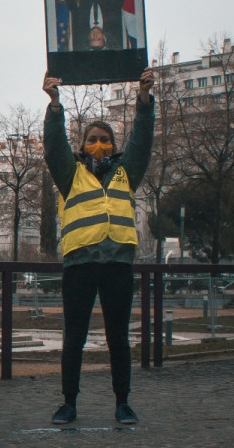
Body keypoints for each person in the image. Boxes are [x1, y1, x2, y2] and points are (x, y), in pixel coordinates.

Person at [42, 68, 155, 425]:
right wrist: (55, 105)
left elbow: (142, 142)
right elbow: (54, 145)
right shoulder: (70, 172)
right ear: (82, 144)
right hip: (80, 265)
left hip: (118, 264)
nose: (99, 144)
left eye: (105, 139)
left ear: (114, 146)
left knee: (118, 338)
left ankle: (123, 403)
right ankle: (69, 403)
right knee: (73, 337)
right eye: (92, 138)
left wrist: (145, 101)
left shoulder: (126, 173)